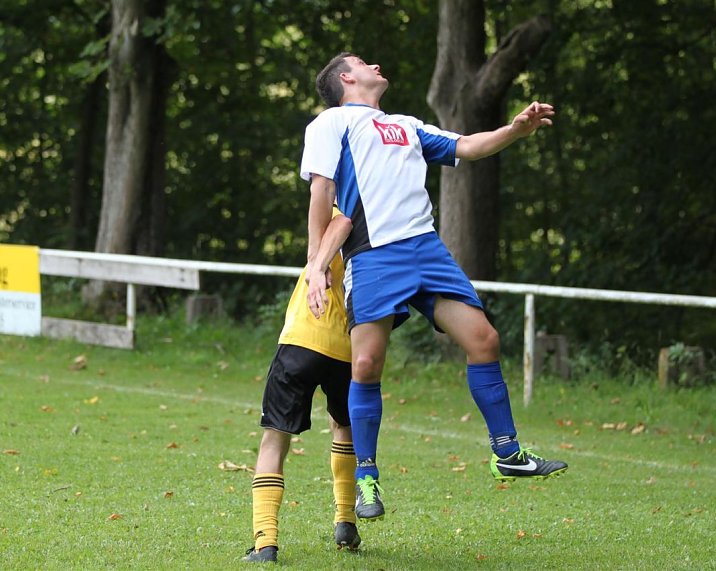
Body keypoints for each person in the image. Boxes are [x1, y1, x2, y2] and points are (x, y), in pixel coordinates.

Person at [301, 53, 568, 522]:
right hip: (373, 254)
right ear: (346, 78)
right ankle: (366, 477)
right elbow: (320, 193)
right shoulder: (331, 122)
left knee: (484, 339)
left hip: (426, 250)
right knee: (365, 363)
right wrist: (316, 265)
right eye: (364, 62)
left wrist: (514, 130)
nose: (377, 64)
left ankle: (506, 453)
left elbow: (467, 146)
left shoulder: (405, 124)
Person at [243, 208, 360, 564]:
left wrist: (316, 265)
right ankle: (345, 521)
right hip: (346, 347)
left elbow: (338, 220)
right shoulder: (384, 228)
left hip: (303, 338)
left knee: (274, 439)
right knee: (343, 428)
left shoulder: (342, 207)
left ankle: (265, 542)